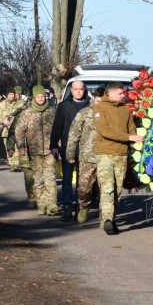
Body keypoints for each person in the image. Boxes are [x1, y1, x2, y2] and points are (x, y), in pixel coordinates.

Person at [93, 82, 142, 235]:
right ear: (112, 93)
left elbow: (131, 129)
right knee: (107, 188)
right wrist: (129, 137)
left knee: (117, 191)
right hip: (105, 154)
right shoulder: (100, 108)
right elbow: (105, 131)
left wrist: (137, 144)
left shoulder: (125, 109)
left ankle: (111, 220)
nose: (124, 96)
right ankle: (107, 219)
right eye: (121, 93)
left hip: (121, 155)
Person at [16, 86, 59, 216]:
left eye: (42, 96)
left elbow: (58, 130)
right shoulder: (27, 113)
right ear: (34, 98)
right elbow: (19, 131)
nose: (41, 99)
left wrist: (58, 146)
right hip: (34, 152)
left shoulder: (51, 111)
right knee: (38, 179)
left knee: (50, 177)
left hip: (50, 150)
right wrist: (21, 146)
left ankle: (51, 204)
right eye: (38, 97)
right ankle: (41, 204)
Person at [50, 80, 90, 221]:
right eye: (75, 89)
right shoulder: (64, 106)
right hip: (67, 148)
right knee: (67, 179)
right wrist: (54, 145)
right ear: (71, 90)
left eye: (80, 89)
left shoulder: (91, 105)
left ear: (84, 90)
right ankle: (67, 208)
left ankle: (81, 207)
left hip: (87, 149)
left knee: (83, 181)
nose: (78, 91)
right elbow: (57, 126)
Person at [66, 86, 104, 224]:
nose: (99, 103)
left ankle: (105, 216)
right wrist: (70, 153)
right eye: (97, 100)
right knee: (84, 187)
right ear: (93, 98)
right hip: (87, 157)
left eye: (102, 100)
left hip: (105, 156)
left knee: (105, 189)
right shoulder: (84, 113)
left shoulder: (110, 113)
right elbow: (74, 134)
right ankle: (84, 207)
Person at [0, 88, 26, 172]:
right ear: (7, 95)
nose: (11, 96)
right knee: (8, 147)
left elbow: (25, 114)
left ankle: (16, 164)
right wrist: (3, 120)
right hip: (6, 129)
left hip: (18, 128)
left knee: (17, 146)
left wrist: (16, 118)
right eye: (10, 94)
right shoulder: (1, 104)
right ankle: (12, 163)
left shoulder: (20, 103)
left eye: (13, 94)